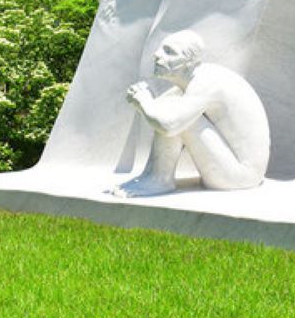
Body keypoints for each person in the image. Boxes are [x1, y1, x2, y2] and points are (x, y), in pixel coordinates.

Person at [111, 30, 270, 197]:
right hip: (238, 172)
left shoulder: (206, 82)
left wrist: (144, 101)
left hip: (239, 178)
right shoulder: (195, 81)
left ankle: (159, 179)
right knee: (171, 108)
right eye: (160, 49)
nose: (157, 55)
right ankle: (152, 176)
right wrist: (145, 98)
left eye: (169, 52)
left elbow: (168, 125)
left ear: (189, 62)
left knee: (174, 115)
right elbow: (159, 111)